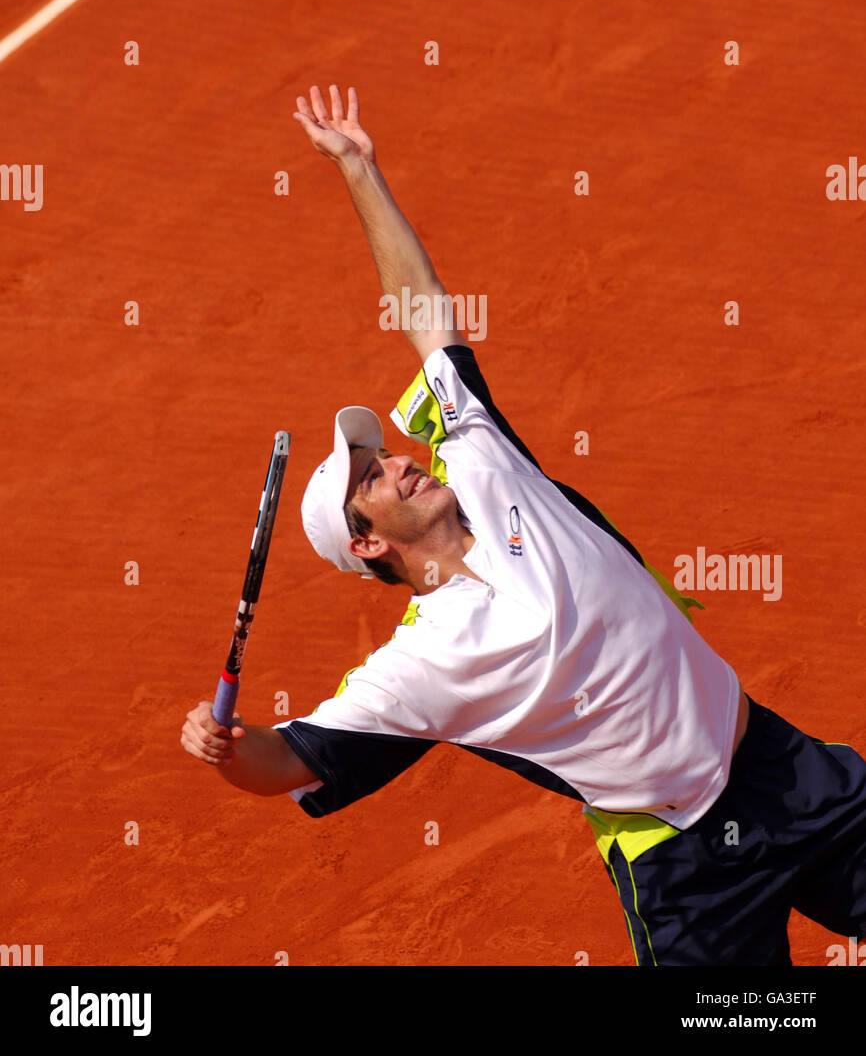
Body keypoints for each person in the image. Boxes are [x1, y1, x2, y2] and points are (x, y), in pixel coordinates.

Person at [182, 84, 866, 966]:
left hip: (782, 768)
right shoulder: (421, 668)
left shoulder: (480, 457)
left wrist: (358, 168)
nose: (395, 458)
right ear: (368, 543)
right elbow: (290, 762)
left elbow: (423, 313)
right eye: (371, 478)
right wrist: (225, 749)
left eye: (382, 450)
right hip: (685, 866)